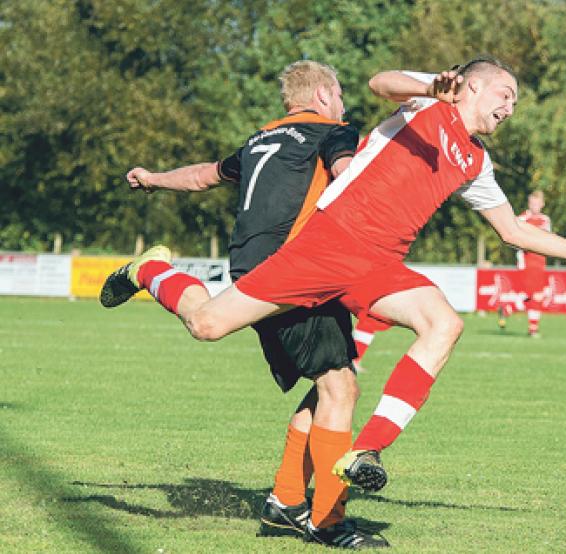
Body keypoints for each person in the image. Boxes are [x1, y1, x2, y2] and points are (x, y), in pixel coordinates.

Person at [100, 56, 566, 503]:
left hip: (379, 264)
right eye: (505, 93)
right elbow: (379, 81)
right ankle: (152, 270)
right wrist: (434, 85)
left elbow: (514, 232)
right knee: (207, 325)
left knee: (443, 325)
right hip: (326, 245)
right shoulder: (425, 104)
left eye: (515, 102)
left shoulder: (476, 162)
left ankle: (365, 452)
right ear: (471, 87)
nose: (511, 107)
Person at [109, 61, 388, 548]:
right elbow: (347, 175)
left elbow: (201, 177)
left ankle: (284, 502)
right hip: (294, 268)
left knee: (332, 383)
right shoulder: (332, 131)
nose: (344, 103)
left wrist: (153, 178)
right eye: (339, 94)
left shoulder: (261, 140)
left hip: (258, 265)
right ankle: (329, 521)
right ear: (323, 95)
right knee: (333, 385)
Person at [497, 189, 551, 337]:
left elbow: (548, 240)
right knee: (534, 294)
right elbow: (513, 239)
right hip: (527, 262)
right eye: (532, 203)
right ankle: (532, 328)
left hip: (541, 261)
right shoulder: (521, 219)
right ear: (529, 203)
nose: (535, 206)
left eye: (537, 203)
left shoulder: (545, 220)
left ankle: (508, 309)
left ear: (542, 204)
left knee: (534, 295)